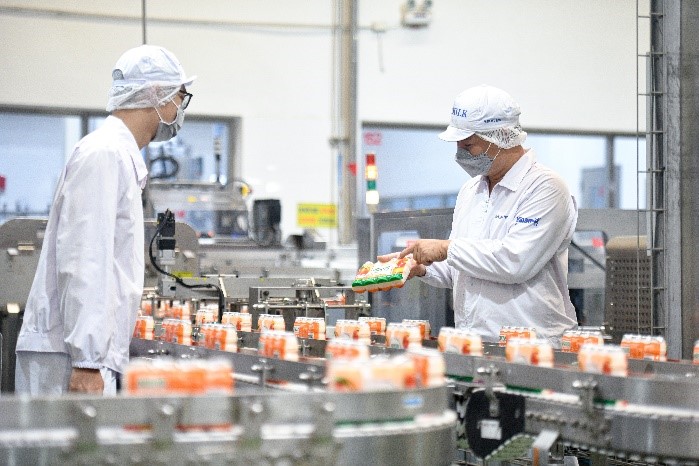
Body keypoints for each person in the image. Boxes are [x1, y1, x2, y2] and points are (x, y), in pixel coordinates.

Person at [15, 45, 195, 395]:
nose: (180, 109)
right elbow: (86, 260)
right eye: (180, 97)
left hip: (86, 355)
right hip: (73, 358)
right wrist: (87, 360)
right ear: (157, 94)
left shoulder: (117, 155)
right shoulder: (104, 154)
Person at [381, 85, 578, 347]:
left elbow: (515, 262)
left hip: (534, 345)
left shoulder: (545, 188)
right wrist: (421, 267)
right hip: (473, 343)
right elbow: (462, 268)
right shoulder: (471, 190)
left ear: (500, 137)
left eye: (468, 144)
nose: (460, 153)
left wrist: (445, 248)